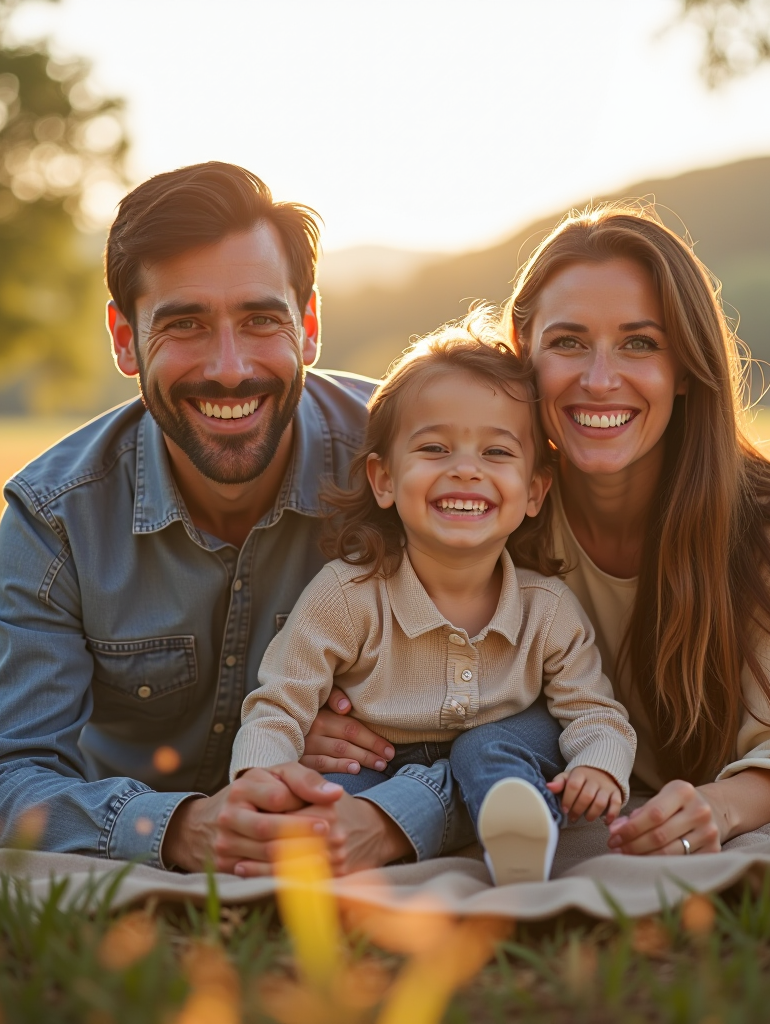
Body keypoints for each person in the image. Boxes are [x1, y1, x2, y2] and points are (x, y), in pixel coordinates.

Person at [211, 204, 770, 867]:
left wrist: (715, 809)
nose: (600, 380)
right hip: (579, 767)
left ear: (686, 367)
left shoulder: (767, 529)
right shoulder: (497, 510)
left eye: (640, 343)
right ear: (524, 355)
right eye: (568, 343)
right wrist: (342, 722)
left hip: (766, 769)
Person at [0, 161, 414, 871]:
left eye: (261, 320)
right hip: (119, 775)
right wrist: (181, 828)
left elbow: (511, 703)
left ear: (309, 325)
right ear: (125, 338)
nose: (228, 368)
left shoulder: (416, 468)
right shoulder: (56, 516)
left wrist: (390, 818)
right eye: (185, 324)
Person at [229, 320, 636, 884]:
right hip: (379, 765)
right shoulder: (346, 597)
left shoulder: (548, 610)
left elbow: (593, 713)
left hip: (508, 752)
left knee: (491, 749)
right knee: (325, 807)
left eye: (496, 451)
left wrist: (600, 766)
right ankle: (435, 825)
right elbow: (280, 705)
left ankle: (520, 838)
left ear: (536, 490)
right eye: (435, 448)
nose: (465, 468)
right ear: (384, 479)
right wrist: (262, 780)